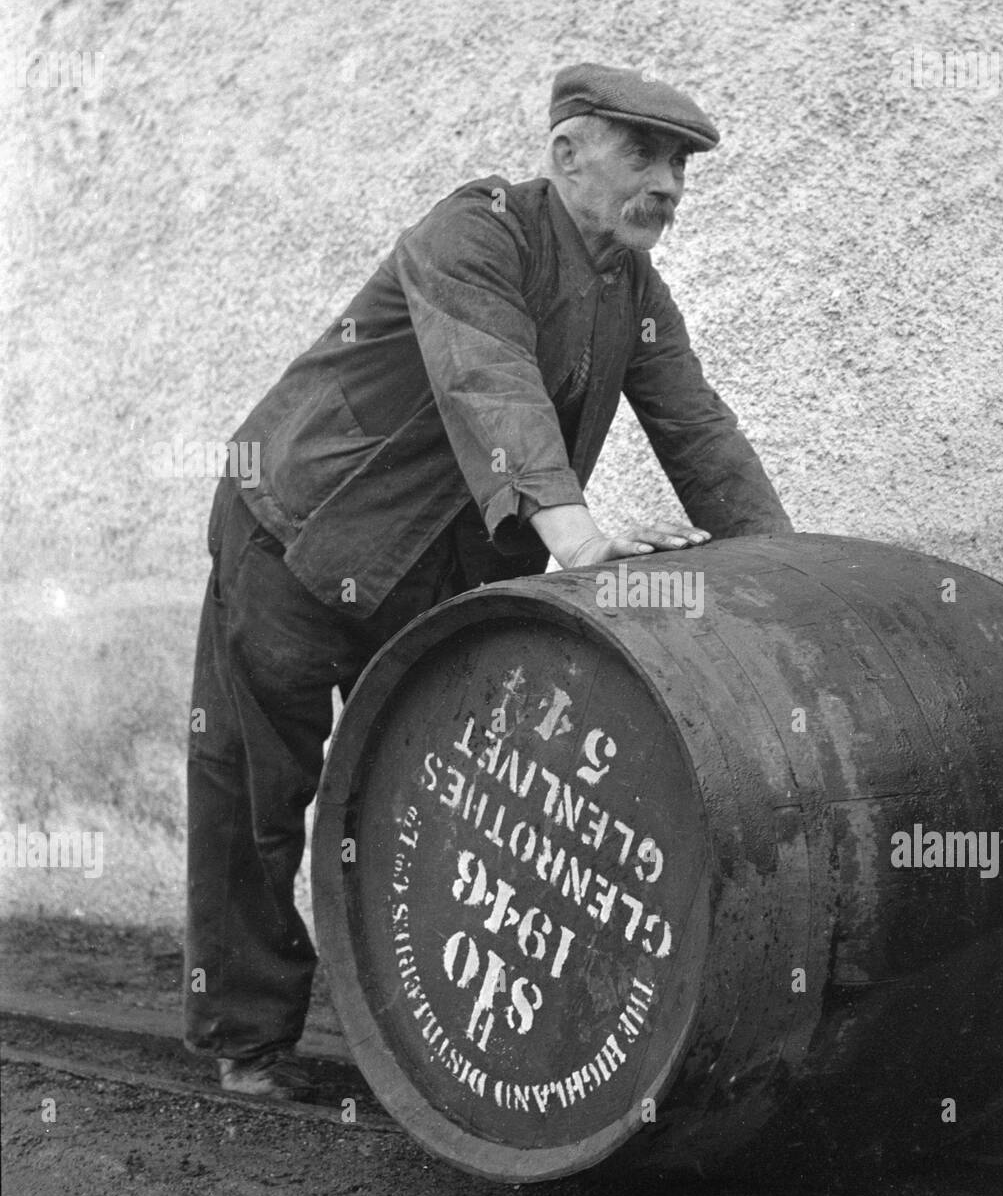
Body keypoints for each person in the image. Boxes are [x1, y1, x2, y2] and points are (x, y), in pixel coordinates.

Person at [185, 63, 792, 1098]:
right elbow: (489, 382)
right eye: (645, 155)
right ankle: (245, 1039)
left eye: (682, 165)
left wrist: (790, 574)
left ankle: (419, 1036)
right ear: (566, 156)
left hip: (433, 580)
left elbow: (698, 429)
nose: (671, 185)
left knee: (430, 798)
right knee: (257, 790)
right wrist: (580, 539)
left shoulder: (634, 295)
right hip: (297, 540)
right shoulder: (477, 232)